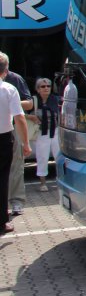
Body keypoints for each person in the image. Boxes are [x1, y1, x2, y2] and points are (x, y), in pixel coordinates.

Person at [0, 53, 31, 235]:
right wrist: (26, 143)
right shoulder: (9, 89)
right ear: (6, 70)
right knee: (3, 179)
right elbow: (19, 118)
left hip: (4, 136)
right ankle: (2, 222)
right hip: (3, 137)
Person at [30, 78, 60, 192]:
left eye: (48, 86)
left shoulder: (56, 100)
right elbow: (20, 113)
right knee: (42, 157)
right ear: (38, 89)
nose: (46, 88)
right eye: (43, 86)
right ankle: (43, 183)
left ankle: (60, 180)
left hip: (56, 132)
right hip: (42, 133)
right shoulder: (34, 100)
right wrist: (31, 117)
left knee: (59, 157)